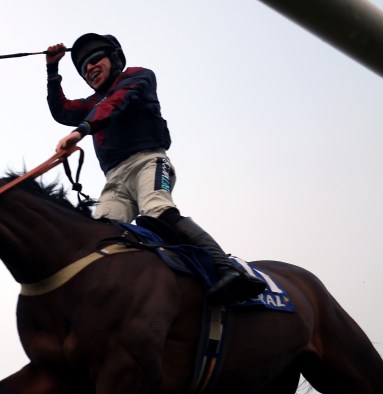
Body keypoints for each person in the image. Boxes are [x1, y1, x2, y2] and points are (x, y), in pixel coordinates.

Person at [46, 33, 266, 303]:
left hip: (150, 162)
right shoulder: (92, 103)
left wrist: (82, 131)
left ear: (114, 59)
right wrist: (53, 69)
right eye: (83, 68)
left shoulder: (139, 76)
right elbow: (62, 111)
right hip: (115, 179)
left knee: (157, 212)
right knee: (100, 234)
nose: (89, 69)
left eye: (94, 60)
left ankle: (227, 268)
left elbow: (114, 104)